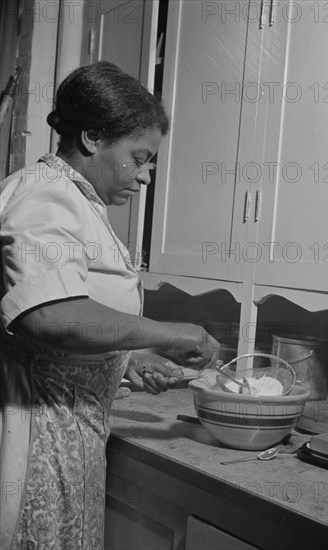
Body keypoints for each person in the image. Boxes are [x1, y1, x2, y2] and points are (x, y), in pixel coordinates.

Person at [0, 61, 220, 550]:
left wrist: (123, 360)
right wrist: (165, 331)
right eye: (138, 158)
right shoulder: (45, 198)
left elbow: (69, 320)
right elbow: (48, 317)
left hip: (68, 426)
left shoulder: (76, 201)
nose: (144, 177)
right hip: (38, 431)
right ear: (93, 137)